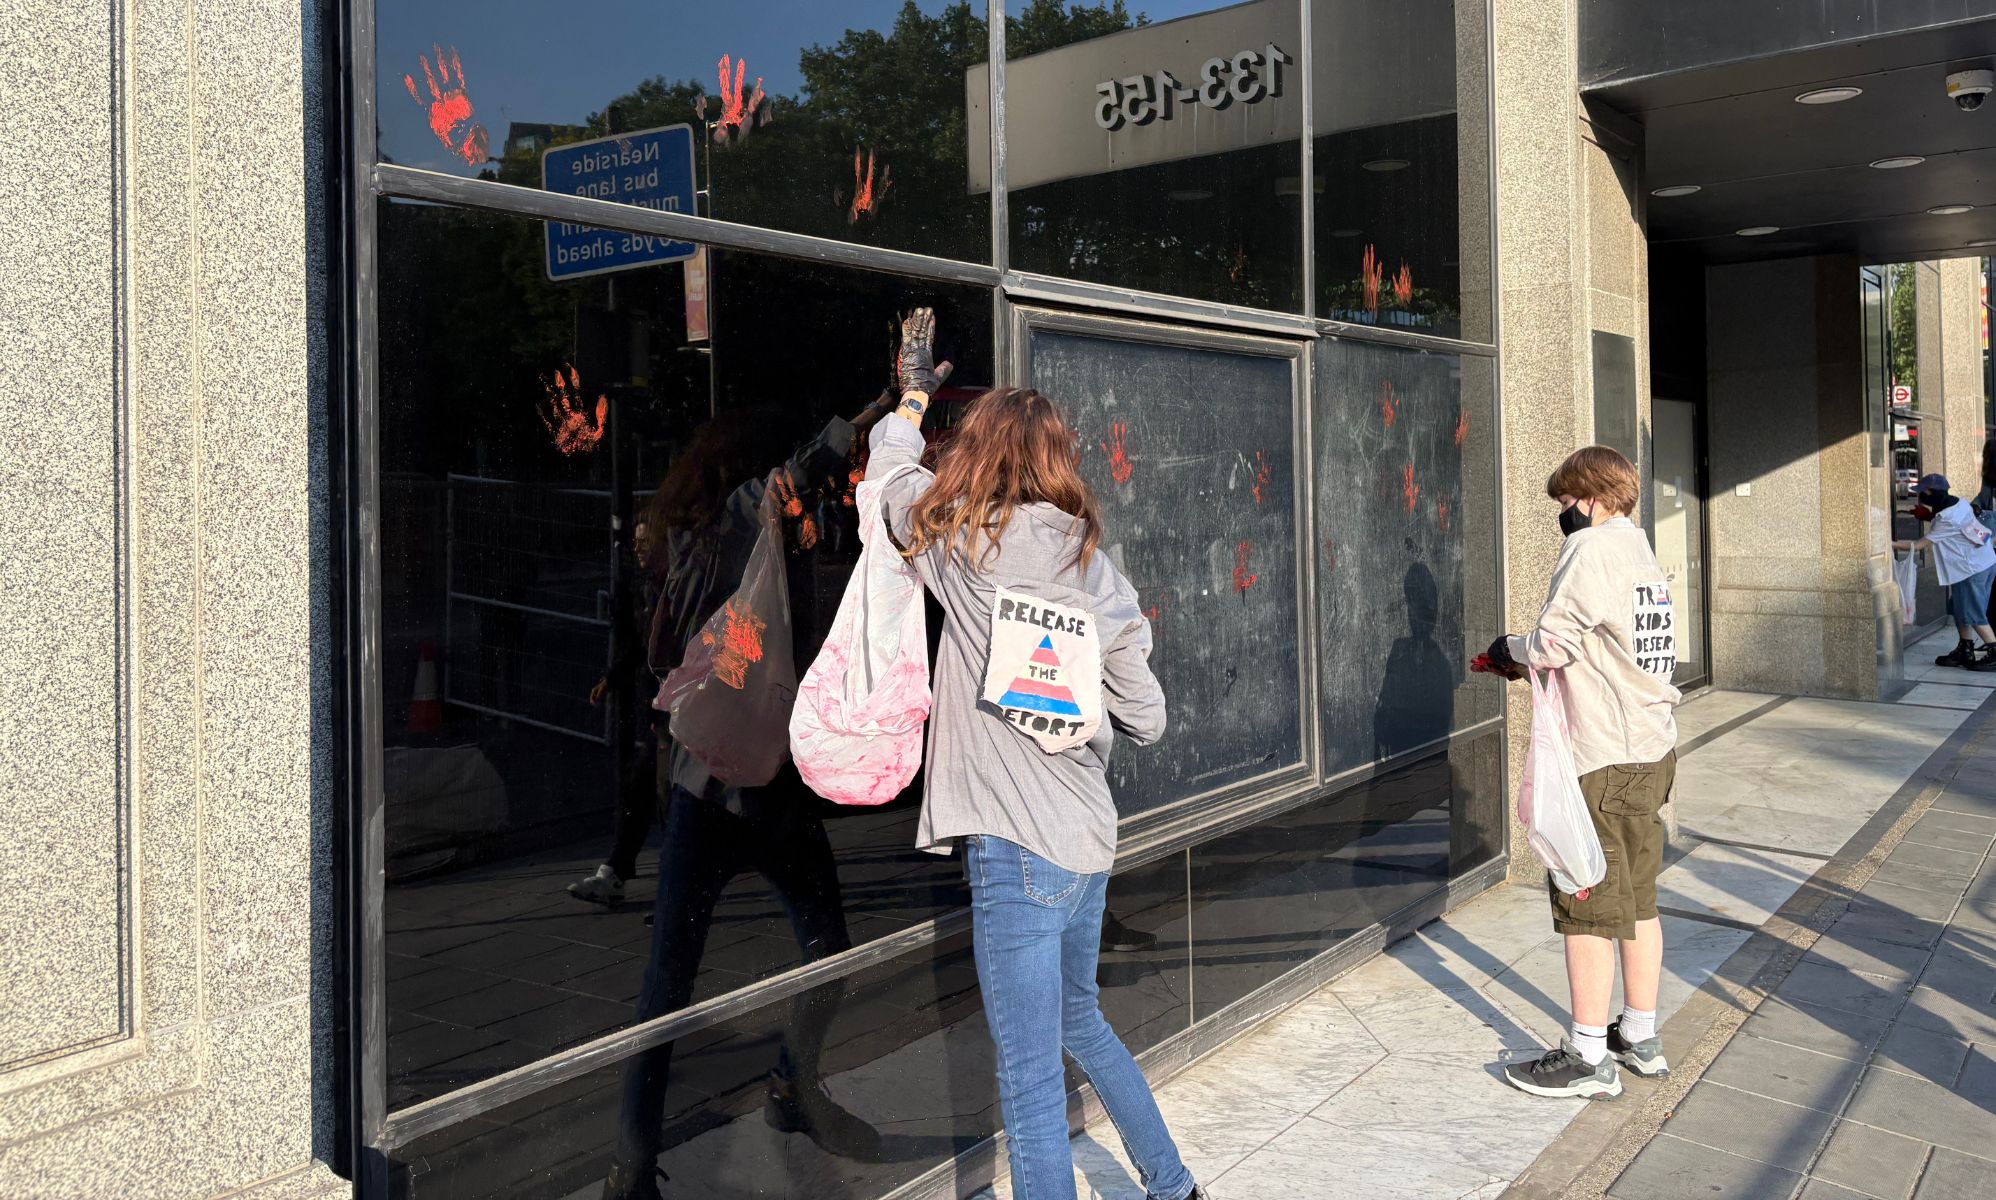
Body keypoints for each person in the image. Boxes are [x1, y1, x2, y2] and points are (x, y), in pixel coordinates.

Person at [868, 310, 1206, 1200]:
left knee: (1025, 1077)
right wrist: (1079, 674)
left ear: (978, 458)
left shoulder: (960, 543)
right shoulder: (1098, 567)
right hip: (1086, 844)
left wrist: (911, 396)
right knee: (1082, 1023)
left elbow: (890, 479)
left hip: (1015, 852)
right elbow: (1151, 718)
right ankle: (1174, 1189)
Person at [1478, 446, 1681, 1101]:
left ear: (1593, 497)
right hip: (1652, 749)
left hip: (1606, 756)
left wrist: (1507, 650)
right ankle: (1639, 1037)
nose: (1563, 515)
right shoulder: (1641, 554)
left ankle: (1587, 1055)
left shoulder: (1591, 550)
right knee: (1637, 899)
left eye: (1566, 503)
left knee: (1585, 896)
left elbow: (1554, 643)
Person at [1896, 472, 1996, 670]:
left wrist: (1889, 544)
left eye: (1922, 493)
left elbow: (1920, 544)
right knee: (1960, 608)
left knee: (1972, 612)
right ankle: (1964, 649)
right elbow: (1955, 524)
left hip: (1971, 569)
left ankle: (1994, 651)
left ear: (1932, 492)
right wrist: (1929, 516)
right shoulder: (1959, 503)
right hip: (1981, 563)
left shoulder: (1946, 518)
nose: (1920, 497)